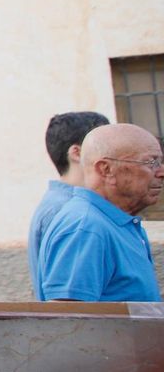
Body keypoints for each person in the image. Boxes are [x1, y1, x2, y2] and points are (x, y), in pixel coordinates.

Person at [37, 123, 162, 302]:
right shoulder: (86, 227)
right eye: (151, 163)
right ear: (106, 169)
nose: (161, 172)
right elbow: (68, 315)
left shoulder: (114, 221)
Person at [29, 111, 109, 299]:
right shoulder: (68, 211)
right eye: (106, 145)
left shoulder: (69, 204)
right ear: (76, 153)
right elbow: (69, 303)